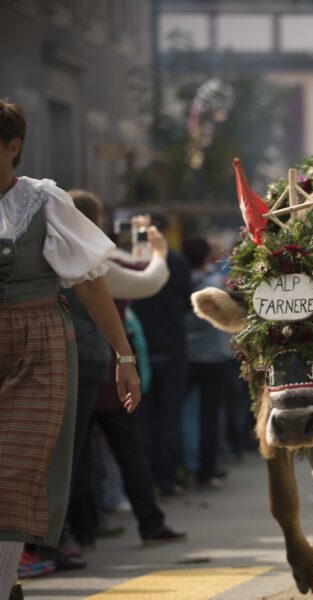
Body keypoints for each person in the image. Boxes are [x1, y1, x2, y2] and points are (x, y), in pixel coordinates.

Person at [0, 98, 141, 600]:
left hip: (38, 346)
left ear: (13, 146)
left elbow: (89, 283)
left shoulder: (43, 200)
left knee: (12, 476)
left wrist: (124, 353)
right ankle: (8, 590)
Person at [64, 192, 186, 549]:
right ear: (96, 219)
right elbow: (144, 278)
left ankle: (82, 531)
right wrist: (158, 249)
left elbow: (127, 265)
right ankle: (149, 523)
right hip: (103, 370)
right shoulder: (90, 261)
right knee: (126, 450)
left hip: (77, 367)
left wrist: (137, 242)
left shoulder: (54, 250)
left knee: (80, 455)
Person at [131, 217, 191, 496]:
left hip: (139, 348)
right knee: (170, 415)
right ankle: (168, 478)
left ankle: (146, 480)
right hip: (172, 346)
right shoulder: (176, 262)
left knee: (143, 416)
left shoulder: (131, 260)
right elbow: (187, 300)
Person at [183, 236, 234, 489]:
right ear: (205, 256)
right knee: (210, 416)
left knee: (187, 414)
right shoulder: (216, 286)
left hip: (186, 356)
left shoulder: (179, 281)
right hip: (213, 358)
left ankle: (188, 465)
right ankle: (206, 469)